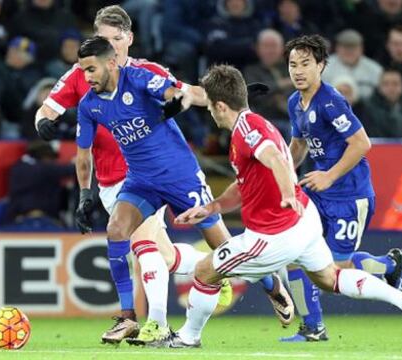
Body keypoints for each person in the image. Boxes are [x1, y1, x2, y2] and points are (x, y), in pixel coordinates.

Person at [168, 64, 402, 348]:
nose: (210, 112)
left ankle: (188, 338)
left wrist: (287, 192)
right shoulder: (254, 123)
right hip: (304, 221)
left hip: (274, 234)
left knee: (204, 271)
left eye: (211, 107)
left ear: (221, 106)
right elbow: (244, 185)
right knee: (330, 278)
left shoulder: (247, 130)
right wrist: (212, 207)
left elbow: (276, 157)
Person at [71, 34, 292, 345]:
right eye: (83, 71)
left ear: (110, 63)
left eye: (91, 69)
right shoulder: (89, 105)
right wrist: (84, 194)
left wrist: (186, 99)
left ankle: (271, 283)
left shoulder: (137, 78)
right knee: (116, 230)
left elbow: (178, 91)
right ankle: (127, 317)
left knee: (222, 247)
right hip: (141, 180)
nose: (87, 77)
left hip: (180, 175)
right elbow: (83, 155)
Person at [282, 35, 402, 342]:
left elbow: (362, 143)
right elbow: (298, 145)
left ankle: (389, 265)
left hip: (351, 195)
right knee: (296, 256)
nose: (298, 71)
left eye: (306, 64)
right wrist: (280, 177)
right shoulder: (295, 102)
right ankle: (312, 327)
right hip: (319, 194)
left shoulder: (331, 101)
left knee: (335, 270)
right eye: (292, 64)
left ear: (322, 66)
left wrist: (329, 176)